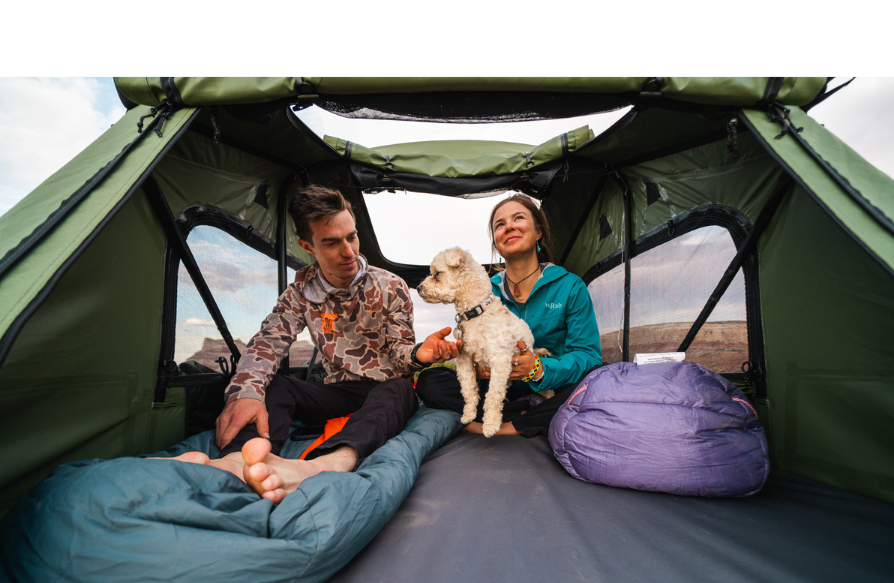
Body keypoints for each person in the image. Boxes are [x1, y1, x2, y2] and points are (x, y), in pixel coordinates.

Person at [167, 185, 459, 503]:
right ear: (309, 246)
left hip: (383, 390)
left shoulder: (391, 286)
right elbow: (267, 343)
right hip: (334, 393)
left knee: (401, 389)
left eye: (352, 237)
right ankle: (240, 462)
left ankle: (326, 464)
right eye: (332, 243)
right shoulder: (300, 294)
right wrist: (245, 392)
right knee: (273, 386)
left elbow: (398, 351)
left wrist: (418, 353)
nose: (348, 252)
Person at [415, 193, 602, 436]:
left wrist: (539, 369)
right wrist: (475, 366)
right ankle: (527, 417)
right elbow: (472, 350)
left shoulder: (570, 286)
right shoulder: (481, 290)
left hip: (551, 388)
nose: (509, 227)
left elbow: (588, 356)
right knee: (431, 380)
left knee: (593, 380)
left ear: (538, 232)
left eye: (518, 218)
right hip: (493, 390)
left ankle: (510, 424)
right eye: (499, 225)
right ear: (496, 242)